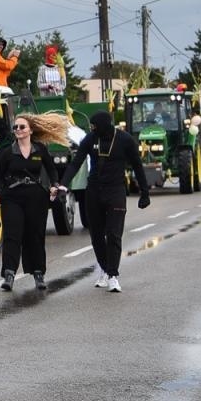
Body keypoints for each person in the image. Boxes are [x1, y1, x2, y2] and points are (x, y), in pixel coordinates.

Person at [57, 110, 150, 293]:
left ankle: (113, 275)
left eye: (94, 126)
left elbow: (137, 165)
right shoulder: (90, 139)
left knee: (114, 234)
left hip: (115, 190)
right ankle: (105, 268)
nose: (92, 129)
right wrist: (63, 185)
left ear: (104, 126)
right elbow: (76, 163)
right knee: (97, 236)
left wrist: (144, 192)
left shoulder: (125, 140)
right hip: (94, 191)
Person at [0, 113, 66, 291]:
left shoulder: (40, 150)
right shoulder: (7, 152)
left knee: (35, 235)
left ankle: (38, 273)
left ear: (30, 130)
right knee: (12, 235)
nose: (18, 130)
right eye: (15, 127)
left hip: (36, 197)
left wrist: (54, 185)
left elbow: (52, 170)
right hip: (12, 197)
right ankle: (9, 274)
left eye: (22, 127)